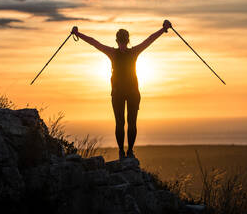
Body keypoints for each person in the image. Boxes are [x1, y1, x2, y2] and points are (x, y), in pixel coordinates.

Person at [71, 20, 172, 160]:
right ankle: (121, 152)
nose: (123, 45)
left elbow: (150, 40)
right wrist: (78, 34)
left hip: (128, 93)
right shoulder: (124, 52)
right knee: (120, 123)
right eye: (121, 42)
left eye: (124, 42)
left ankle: (129, 151)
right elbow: (94, 42)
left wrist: (163, 30)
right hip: (123, 93)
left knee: (131, 123)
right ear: (118, 41)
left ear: (124, 41)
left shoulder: (118, 52)